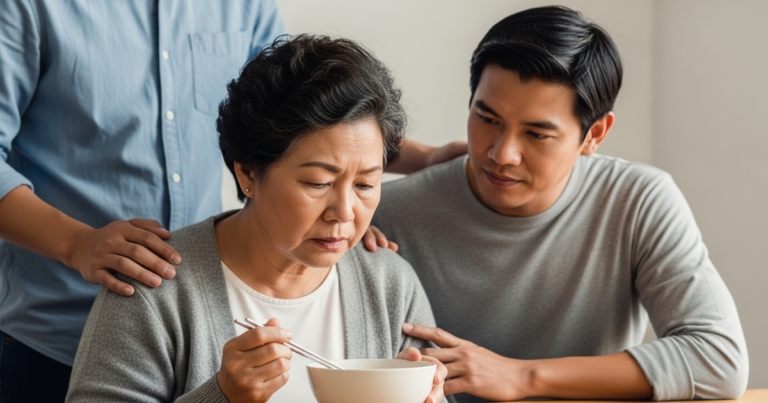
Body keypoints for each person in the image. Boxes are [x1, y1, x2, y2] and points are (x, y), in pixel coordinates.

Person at [0, 1, 463, 401]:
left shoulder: (388, 284)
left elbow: (304, 104)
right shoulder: (151, 300)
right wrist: (76, 243)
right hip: (64, 320)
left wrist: (369, 182)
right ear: (246, 172)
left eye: (366, 184)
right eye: (318, 184)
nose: (345, 211)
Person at [370, 6, 748, 402]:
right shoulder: (387, 215)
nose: (503, 154)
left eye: (536, 134)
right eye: (488, 119)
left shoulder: (638, 200)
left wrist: (522, 376)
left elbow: (718, 360)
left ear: (594, 135)